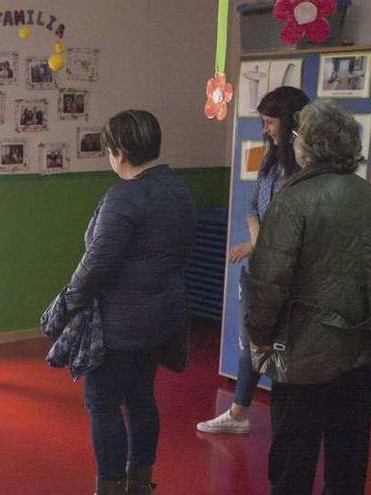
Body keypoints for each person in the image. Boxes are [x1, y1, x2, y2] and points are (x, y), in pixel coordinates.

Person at [65, 110, 196, 494]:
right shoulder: (178, 189)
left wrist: (69, 301)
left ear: (119, 152)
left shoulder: (123, 196)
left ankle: (109, 487)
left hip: (120, 323)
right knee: (141, 397)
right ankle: (139, 483)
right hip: (163, 316)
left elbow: (97, 262)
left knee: (102, 403)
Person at [246, 101, 371, 495]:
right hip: (359, 350)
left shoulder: (293, 199)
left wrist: (259, 334)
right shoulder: (365, 193)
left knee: (292, 459)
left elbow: (269, 280)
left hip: (302, 351)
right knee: (348, 456)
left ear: (310, 145)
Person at [197, 86, 310, 435]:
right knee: (251, 343)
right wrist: (256, 241)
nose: (266, 129)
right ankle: (239, 412)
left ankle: (288, 423)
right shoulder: (271, 159)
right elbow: (252, 207)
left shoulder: (306, 172)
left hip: (288, 278)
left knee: (286, 350)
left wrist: (257, 246)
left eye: (271, 121)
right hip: (258, 273)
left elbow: (294, 228)